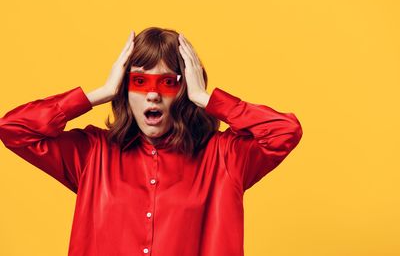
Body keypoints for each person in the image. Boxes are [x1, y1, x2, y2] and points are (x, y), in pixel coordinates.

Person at [0, 27, 303, 256]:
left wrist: (206, 98)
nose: (153, 94)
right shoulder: (93, 154)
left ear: (184, 90)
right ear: (124, 89)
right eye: (140, 81)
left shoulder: (224, 157)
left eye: (168, 82)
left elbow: (284, 132)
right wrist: (98, 94)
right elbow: (14, 129)